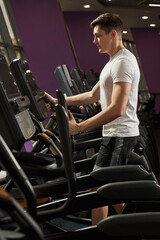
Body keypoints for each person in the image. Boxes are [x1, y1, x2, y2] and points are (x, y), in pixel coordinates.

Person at [45, 13, 140, 225]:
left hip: (120, 136)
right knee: (104, 188)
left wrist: (79, 128)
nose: (94, 40)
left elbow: (117, 108)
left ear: (113, 34)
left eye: (98, 35)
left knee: (102, 187)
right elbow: (92, 96)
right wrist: (59, 100)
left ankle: (135, 227)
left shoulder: (123, 62)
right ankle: (131, 227)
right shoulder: (113, 62)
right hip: (116, 135)